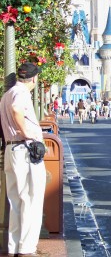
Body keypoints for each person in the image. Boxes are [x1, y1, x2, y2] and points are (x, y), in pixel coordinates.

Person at [0, 62, 46, 255]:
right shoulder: (21, 93)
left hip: (12, 149)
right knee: (30, 199)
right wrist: (27, 133)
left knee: (16, 200)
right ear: (34, 79)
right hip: (24, 150)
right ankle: (26, 248)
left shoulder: (6, 94)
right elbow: (17, 110)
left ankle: (14, 245)